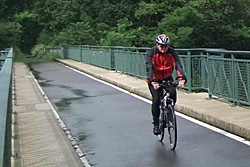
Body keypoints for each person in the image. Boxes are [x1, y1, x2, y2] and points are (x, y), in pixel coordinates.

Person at [146, 34, 187, 135]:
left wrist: (182, 78)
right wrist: (152, 81)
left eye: (166, 46)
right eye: (161, 46)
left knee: (173, 95)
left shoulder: (171, 52)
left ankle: (168, 114)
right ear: (157, 45)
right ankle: (156, 124)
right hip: (154, 79)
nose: (164, 48)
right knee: (156, 99)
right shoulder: (152, 52)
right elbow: (149, 67)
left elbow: (178, 64)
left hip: (167, 78)